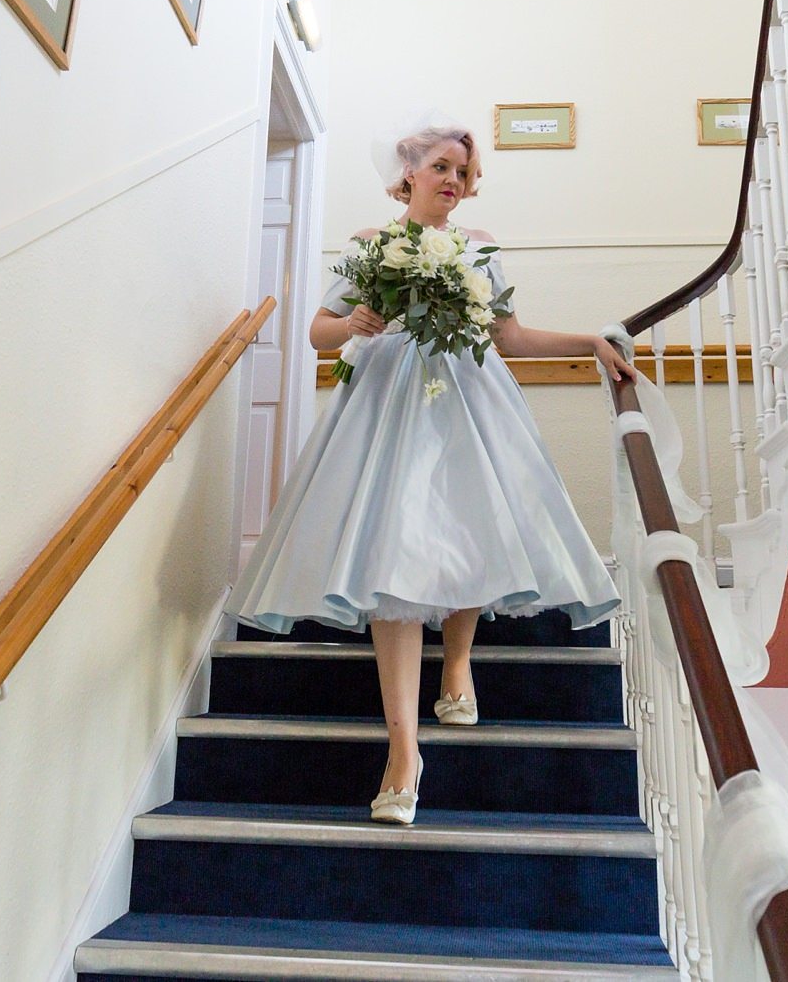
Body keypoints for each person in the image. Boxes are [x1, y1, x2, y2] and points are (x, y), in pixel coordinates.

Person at [230, 114, 633, 825]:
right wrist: (352, 324)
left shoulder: (478, 248)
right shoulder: (371, 245)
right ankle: (403, 752)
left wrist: (587, 340)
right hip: (388, 402)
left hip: (469, 396)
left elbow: (507, 335)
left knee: (473, 529)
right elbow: (320, 330)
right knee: (395, 557)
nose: (454, 182)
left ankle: (456, 662)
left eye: (463, 173)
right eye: (442, 167)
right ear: (409, 171)